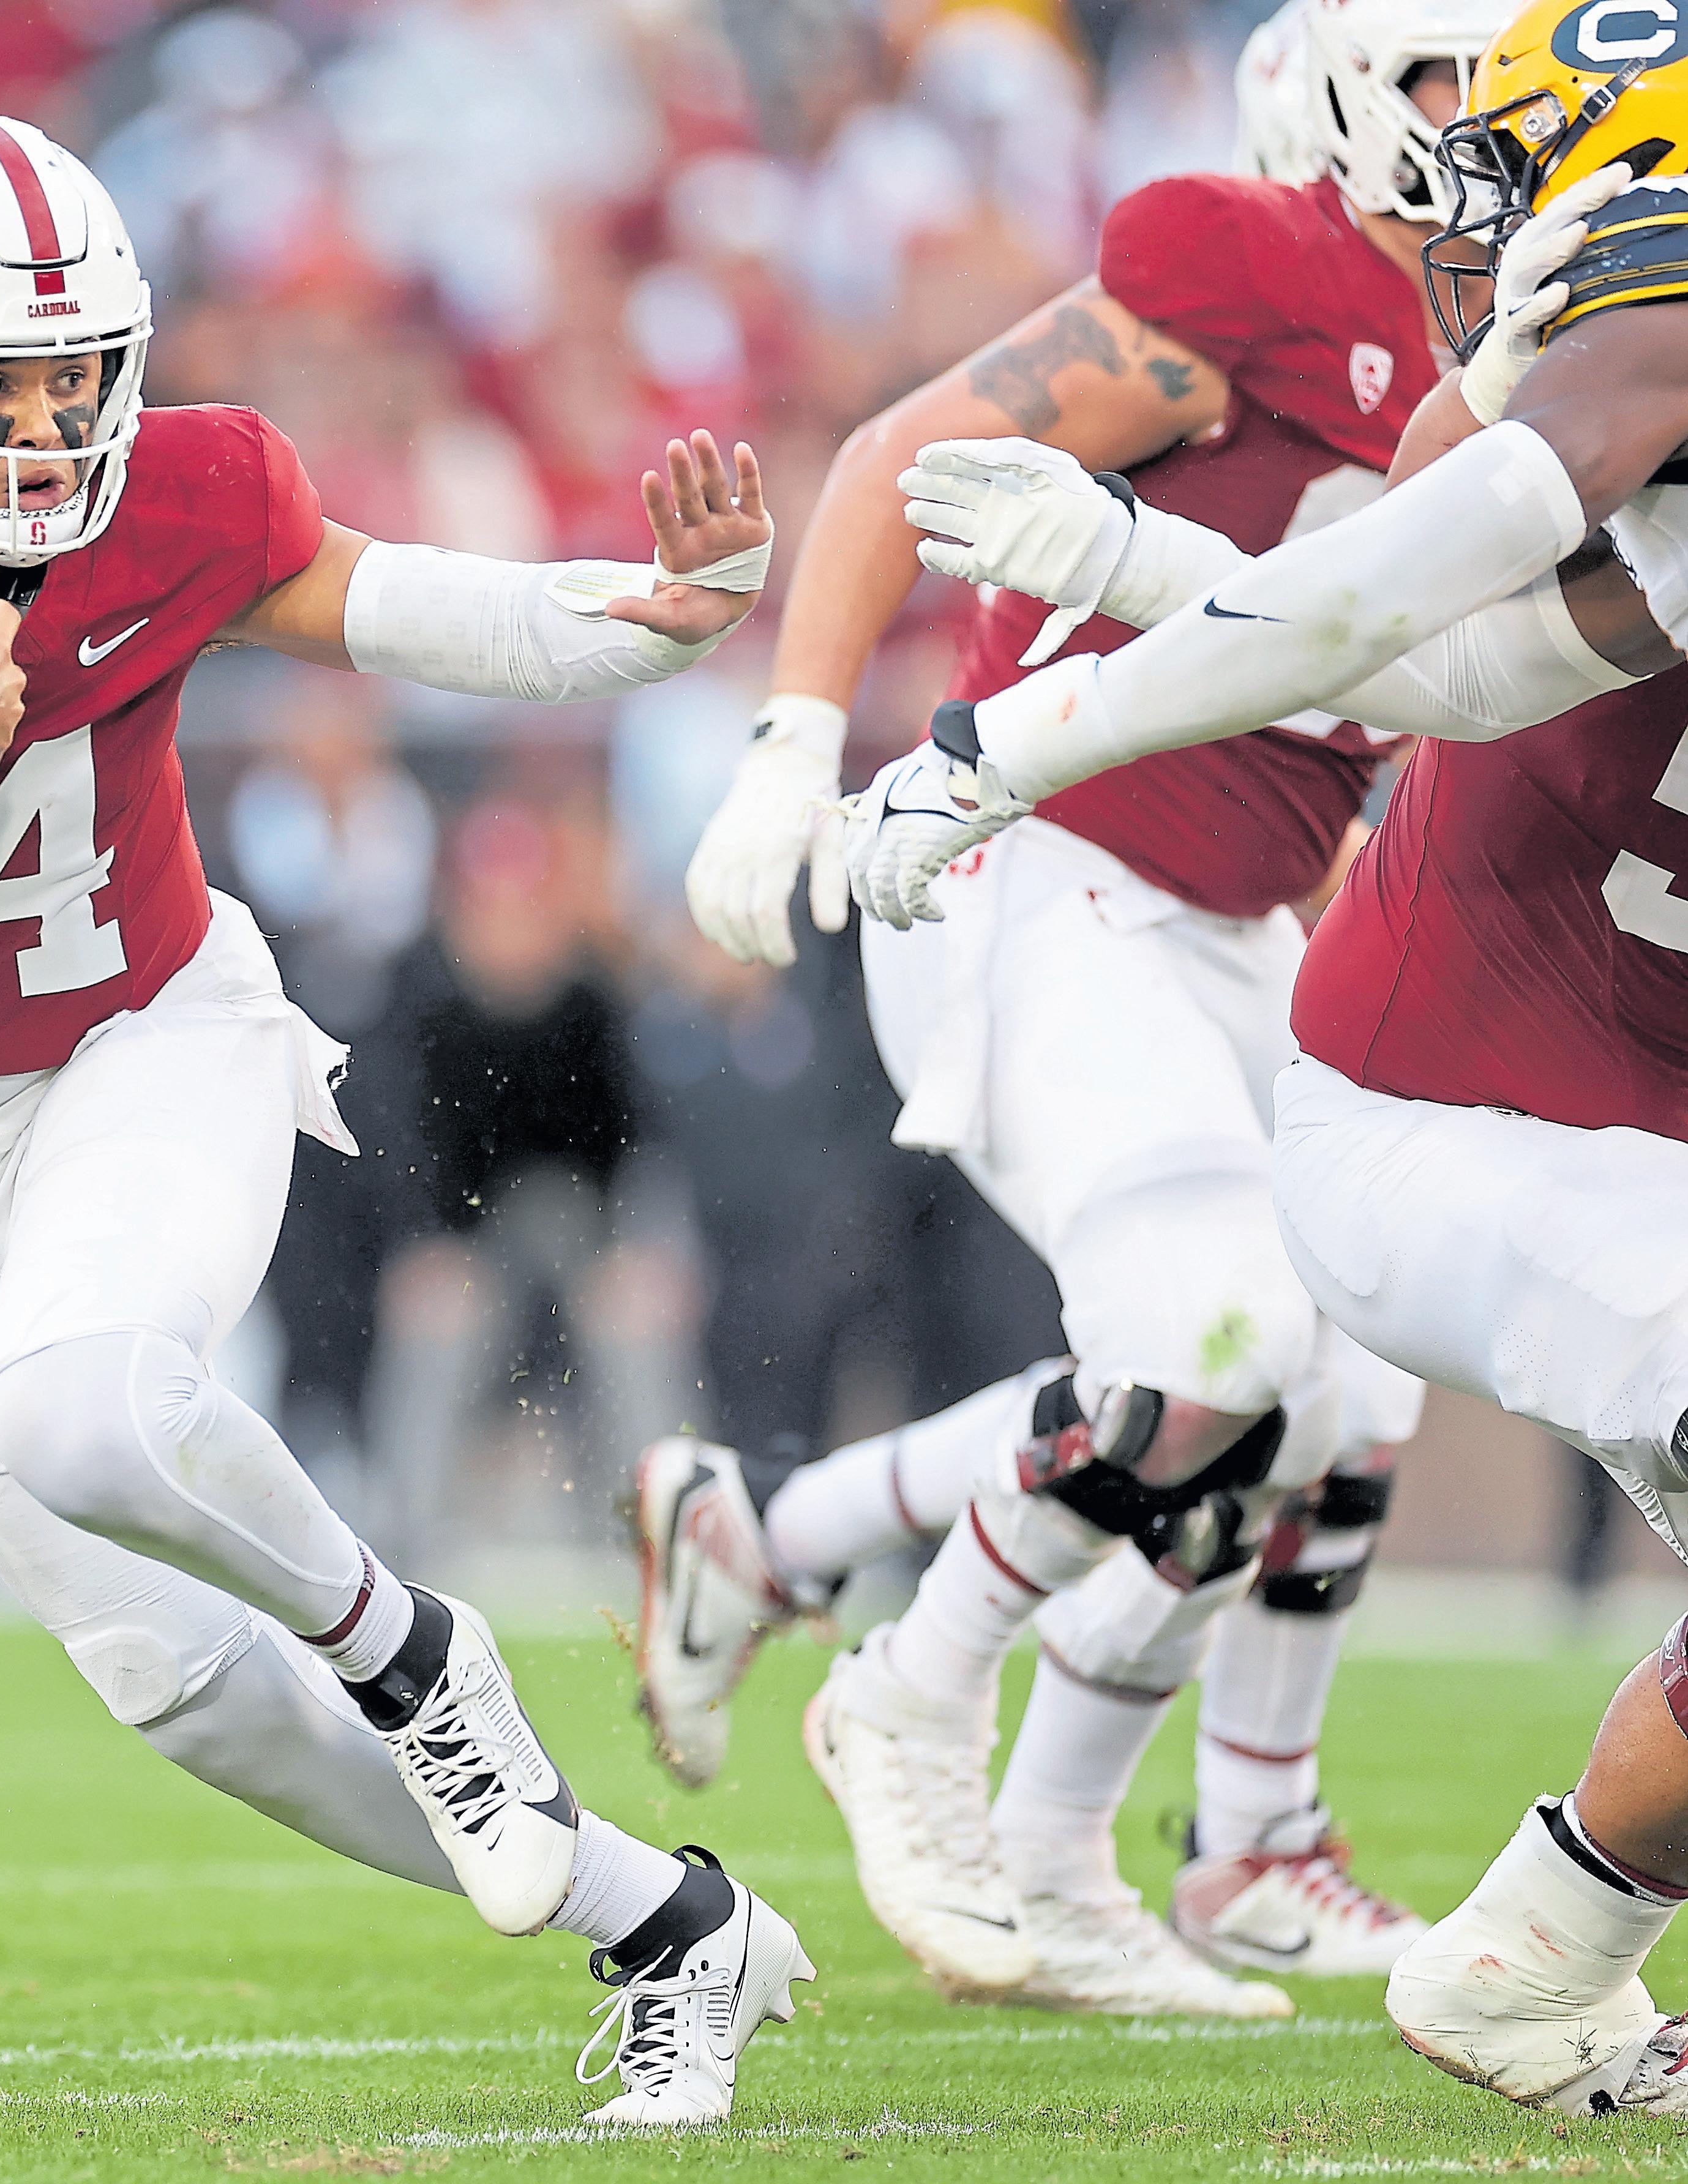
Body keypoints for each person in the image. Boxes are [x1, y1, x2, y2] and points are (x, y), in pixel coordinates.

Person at [0, 116, 805, 2127]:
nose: (43, 430)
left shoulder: (183, 497)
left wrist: (656, 613)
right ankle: (674, 1929)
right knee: (187, 1690)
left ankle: (422, 1663)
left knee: (85, 1404)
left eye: (72, 376)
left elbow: (418, 609)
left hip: (154, 1037)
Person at [840, 0, 1688, 2110]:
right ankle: (942, 1695)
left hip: (1579, 1094)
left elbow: (1434, 661)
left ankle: (1515, 1945)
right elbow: (1391, 634)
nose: (1467, 229)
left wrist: (1132, 579)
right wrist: (1018, 717)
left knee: (1285, 1398)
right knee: (1219, 1352)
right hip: (1460, 1097)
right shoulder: (1616, 349)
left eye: (1505, 167)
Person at [643, 0, 1498, 2013]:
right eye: (1461, 77)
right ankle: (911, 1694)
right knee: (1219, 1343)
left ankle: (1086, 1834)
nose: (1506, 123)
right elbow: (900, 458)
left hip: (1225, 913)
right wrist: (792, 740)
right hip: (1037, 853)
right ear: (1358, 92)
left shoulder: (1553, 357)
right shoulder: (1261, 267)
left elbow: (1370, 721)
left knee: (1344, 1388)